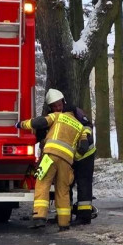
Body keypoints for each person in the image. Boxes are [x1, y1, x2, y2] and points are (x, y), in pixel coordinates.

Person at [19, 89, 89, 231]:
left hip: (49, 156)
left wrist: (21, 125)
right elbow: (83, 147)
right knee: (63, 190)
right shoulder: (80, 127)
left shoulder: (57, 116)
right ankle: (64, 224)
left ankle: (39, 217)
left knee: (42, 183)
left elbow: (38, 122)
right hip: (66, 162)